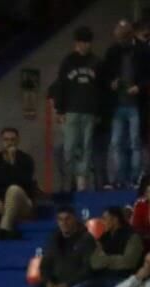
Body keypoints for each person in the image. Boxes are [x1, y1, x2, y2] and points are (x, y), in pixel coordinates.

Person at [49, 27, 102, 192]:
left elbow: (100, 89)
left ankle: (81, 184)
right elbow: (61, 85)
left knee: (86, 147)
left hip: (89, 111)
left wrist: (99, 112)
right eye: (81, 42)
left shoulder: (96, 62)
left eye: (86, 43)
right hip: (71, 110)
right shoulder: (68, 61)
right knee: (69, 147)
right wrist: (60, 109)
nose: (83, 46)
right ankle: (67, 182)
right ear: (76, 43)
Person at [104, 20, 148, 189]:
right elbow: (105, 74)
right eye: (118, 38)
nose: (120, 41)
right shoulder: (113, 51)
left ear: (130, 36)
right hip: (117, 105)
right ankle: (120, 179)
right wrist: (111, 83)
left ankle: (135, 179)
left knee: (135, 142)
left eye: (122, 38)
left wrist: (139, 87)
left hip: (136, 105)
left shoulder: (143, 50)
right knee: (116, 143)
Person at [75, 207, 144, 287]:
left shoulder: (132, 237)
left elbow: (129, 262)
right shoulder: (104, 237)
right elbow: (95, 263)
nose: (102, 222)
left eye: (105, 218)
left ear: (115, 220)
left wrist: (106, 260)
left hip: (123, 279)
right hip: (102, 278)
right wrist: (113, 260)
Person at [0, 128, 38, 240]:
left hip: (22, 203)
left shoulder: (26, 160)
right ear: (1, 141)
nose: (9, 143)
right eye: (6, 139)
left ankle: (4, 229)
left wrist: (13, 162)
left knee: (13, 189)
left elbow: (24, 183)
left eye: (13, 140)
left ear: (18, 141)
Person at [35, 208, 97, 287]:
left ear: (75, 219)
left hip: (76, 283)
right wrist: (48, 283)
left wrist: (67, 285)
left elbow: (88, 270)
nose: (64, 222)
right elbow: (44, 266)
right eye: (60, 219)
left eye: (67, 219)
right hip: (56, 284)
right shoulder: (54, 240)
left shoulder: (86, 239)